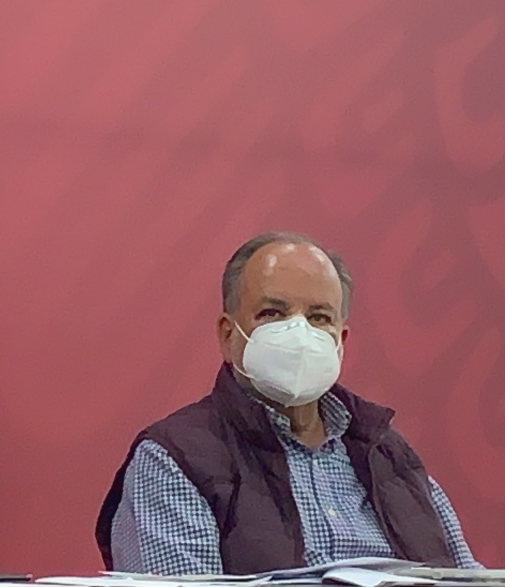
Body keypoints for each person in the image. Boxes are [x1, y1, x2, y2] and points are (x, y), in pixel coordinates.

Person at [95, 232, 479, 575]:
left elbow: (470, 578)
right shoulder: (174, 459)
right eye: (272, 314)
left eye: (319, 317)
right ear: (228, 335)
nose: (299, 333)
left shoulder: (390, 455)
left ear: (340, 340)